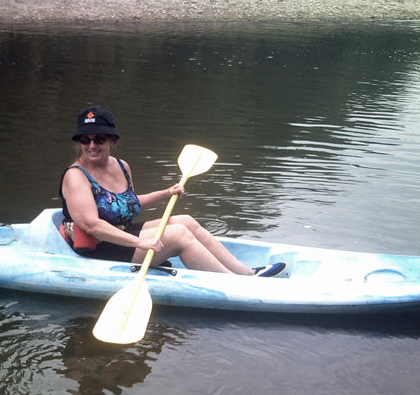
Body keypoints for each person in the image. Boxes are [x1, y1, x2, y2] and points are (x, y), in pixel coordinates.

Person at [59, 105, 286, 277]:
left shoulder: (121, 166)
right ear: (79, 142)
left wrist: (165, 193)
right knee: (178, 235)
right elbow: (92, 225)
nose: (91, 145)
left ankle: (245, 273)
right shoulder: (76, 176)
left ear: (112, 141)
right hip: (99, 245)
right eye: (85, 139)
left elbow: (126, 203)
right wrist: (140, 243)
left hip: (124, 232)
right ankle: (232, 283)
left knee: (185, 221)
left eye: (98, 139)